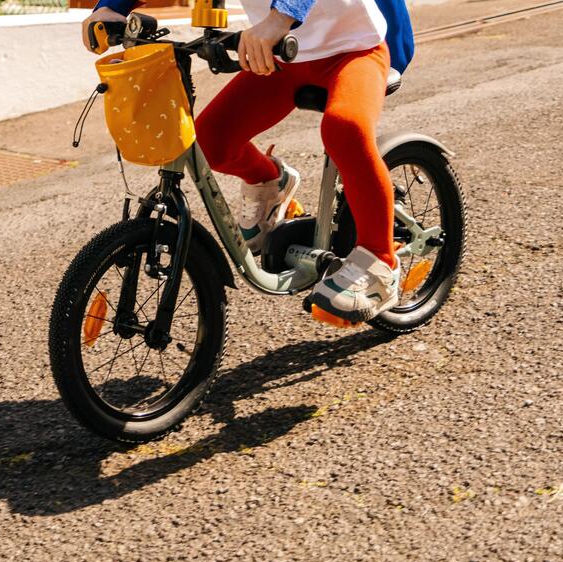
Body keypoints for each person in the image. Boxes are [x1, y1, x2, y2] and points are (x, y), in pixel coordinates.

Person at [82, 0, 414, 323]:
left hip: (354, 49)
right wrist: (112, 7)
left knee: (344, 129)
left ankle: (380, 262)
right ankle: (270, 182)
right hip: (282, 57)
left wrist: (277, 20)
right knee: (211, 141)